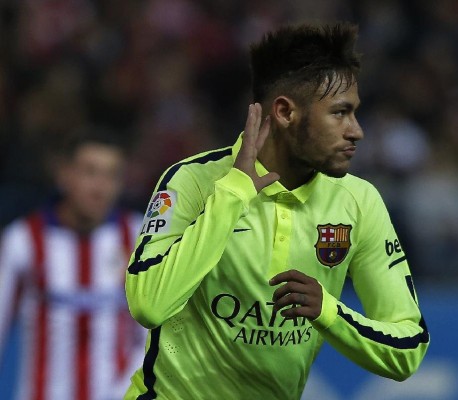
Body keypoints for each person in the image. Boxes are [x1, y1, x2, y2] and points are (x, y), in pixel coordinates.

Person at [125, 22, 430, 399]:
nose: (356, 130)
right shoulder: (192, 181)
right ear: (286, 112)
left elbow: (408, 347)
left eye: (355, 113)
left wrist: (328, 312)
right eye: (340, 113)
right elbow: (149, 305)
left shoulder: (358, 202)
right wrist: (234, 193)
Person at [0, 128, 145, 400]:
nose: (100, 187)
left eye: (111, 175)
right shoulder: (23, 241)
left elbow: (152, 335)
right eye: (90, 172)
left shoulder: (138, 236)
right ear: (64, 174)